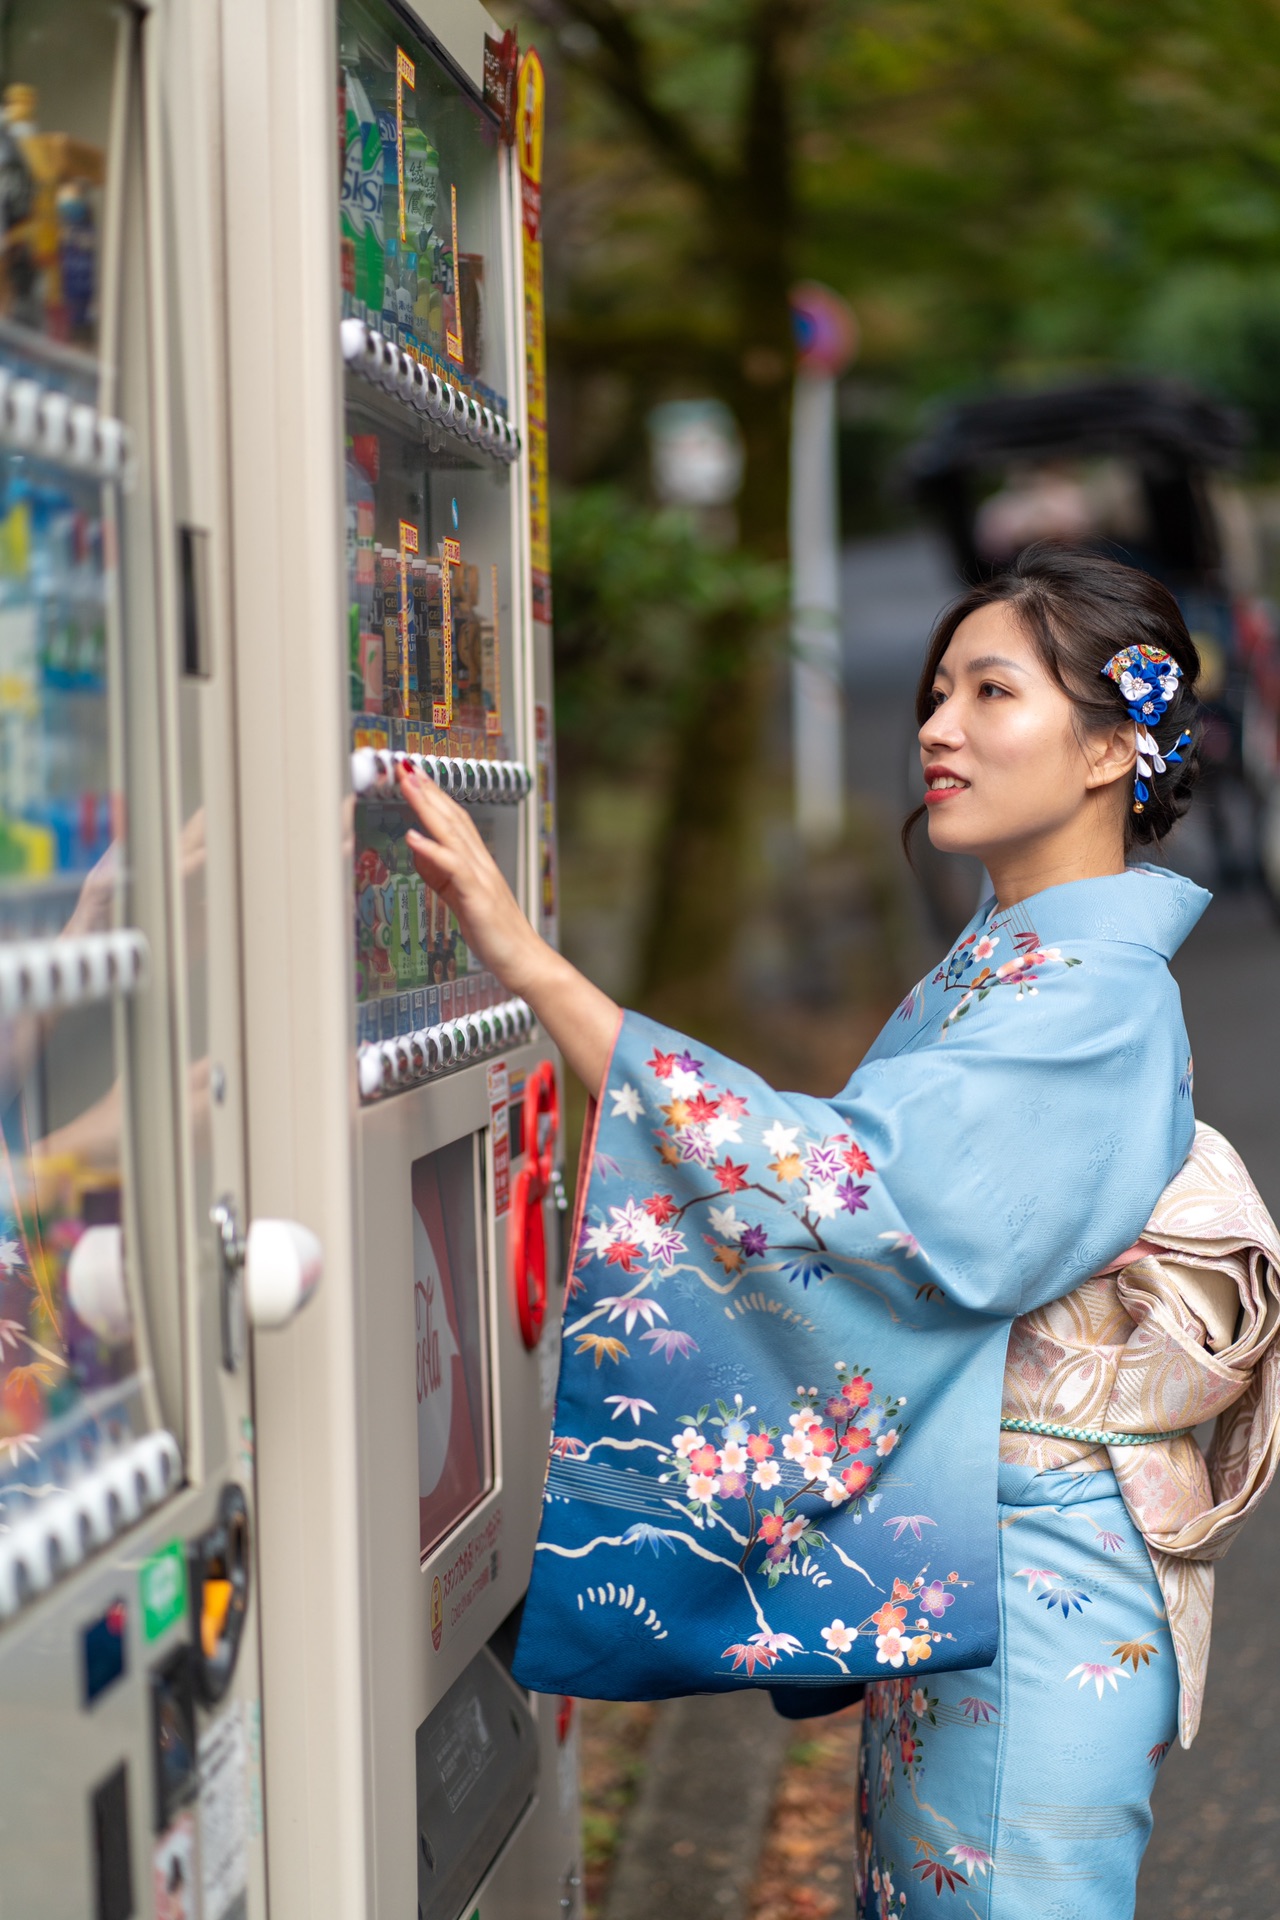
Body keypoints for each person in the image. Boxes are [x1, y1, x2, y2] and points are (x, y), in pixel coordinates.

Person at [396, 543, 1280, 1919]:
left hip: (1036, 1586)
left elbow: (847, 1192)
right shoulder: (1015, 962)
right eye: (936, 692)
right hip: (982, 1576)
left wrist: (538, 973)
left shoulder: (1091, 993)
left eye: (992, 693)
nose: (936, 726)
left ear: (1112, 750)